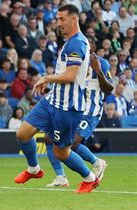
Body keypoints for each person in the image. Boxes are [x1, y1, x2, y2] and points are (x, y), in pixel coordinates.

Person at [14, 5, 100, 194]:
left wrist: (46, 78)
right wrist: (51, 82)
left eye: (62, 19)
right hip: (52, 100)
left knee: (61, 152)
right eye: (58, 19)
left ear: (73, 20)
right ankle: (34, 170)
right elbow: (65, 73)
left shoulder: (77, 43)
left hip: (68, 108)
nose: (58, 23)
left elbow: (70, 76)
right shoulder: (70, 42)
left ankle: (90, 178)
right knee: (23, 133)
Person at [45, 37, 113, 187]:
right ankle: (61, 177)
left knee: (72, 143)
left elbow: (109, 90)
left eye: (88, 44)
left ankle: (97, 163)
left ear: (94, 47)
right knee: (50, 139)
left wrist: (99, 71)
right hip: (72, 108)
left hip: (90, 111)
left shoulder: (102, 63)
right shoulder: (73, 64)